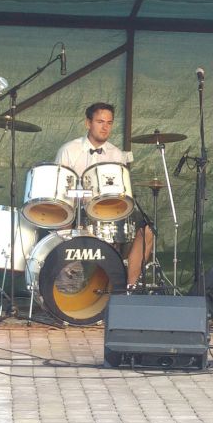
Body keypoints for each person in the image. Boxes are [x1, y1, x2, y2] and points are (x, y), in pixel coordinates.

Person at [56, 102, 155, 287]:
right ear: (88, 123)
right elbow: (59, 192)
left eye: (109, 123)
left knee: (148, 230)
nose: (105, 127)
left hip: (109, 212)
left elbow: (121, 192)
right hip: (77, 210)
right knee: (63, 219)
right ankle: (69, 282)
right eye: (100, 122)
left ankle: (129, 288)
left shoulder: (116, 154)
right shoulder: (68, 150)